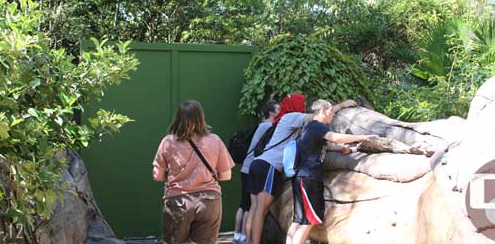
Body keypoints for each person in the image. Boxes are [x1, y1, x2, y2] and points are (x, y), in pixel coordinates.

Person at [248, 94, 358, 244]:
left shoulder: (287, 121)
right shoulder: (293, 117)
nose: (304, 105)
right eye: (302, 102)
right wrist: (342, 105)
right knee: (261, 210)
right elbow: (318, 115)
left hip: (258, 164)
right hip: (269, 165)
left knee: (255, 209)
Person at [286, 99, 374, 244]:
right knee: (308, 222)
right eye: (331, 112)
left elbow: (323, 145)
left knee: (298, 220)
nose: (333, 115)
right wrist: (363, 137)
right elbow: (336, 137)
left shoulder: (308, 127)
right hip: (309, 178)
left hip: (300, 178)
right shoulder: (317, 126)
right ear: (323, 111)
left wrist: (340, 149)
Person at [152, 100, 235, 244]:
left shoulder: (168, 142)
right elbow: (226, 176)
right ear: (201, 118)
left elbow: (157, 176)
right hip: (209, 201)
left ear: (178, 118)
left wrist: (175, 174)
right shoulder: (215, 140)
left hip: (178, 202)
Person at [233, 100, 280, 243]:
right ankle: (245, 237)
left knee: (244, 203)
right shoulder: (268, 126)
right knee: (251, 206)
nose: (280, 111)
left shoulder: (261, 125)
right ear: (271, 112)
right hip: (252, 166)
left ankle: (237, 235)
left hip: (247, 167)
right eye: (278, 109)